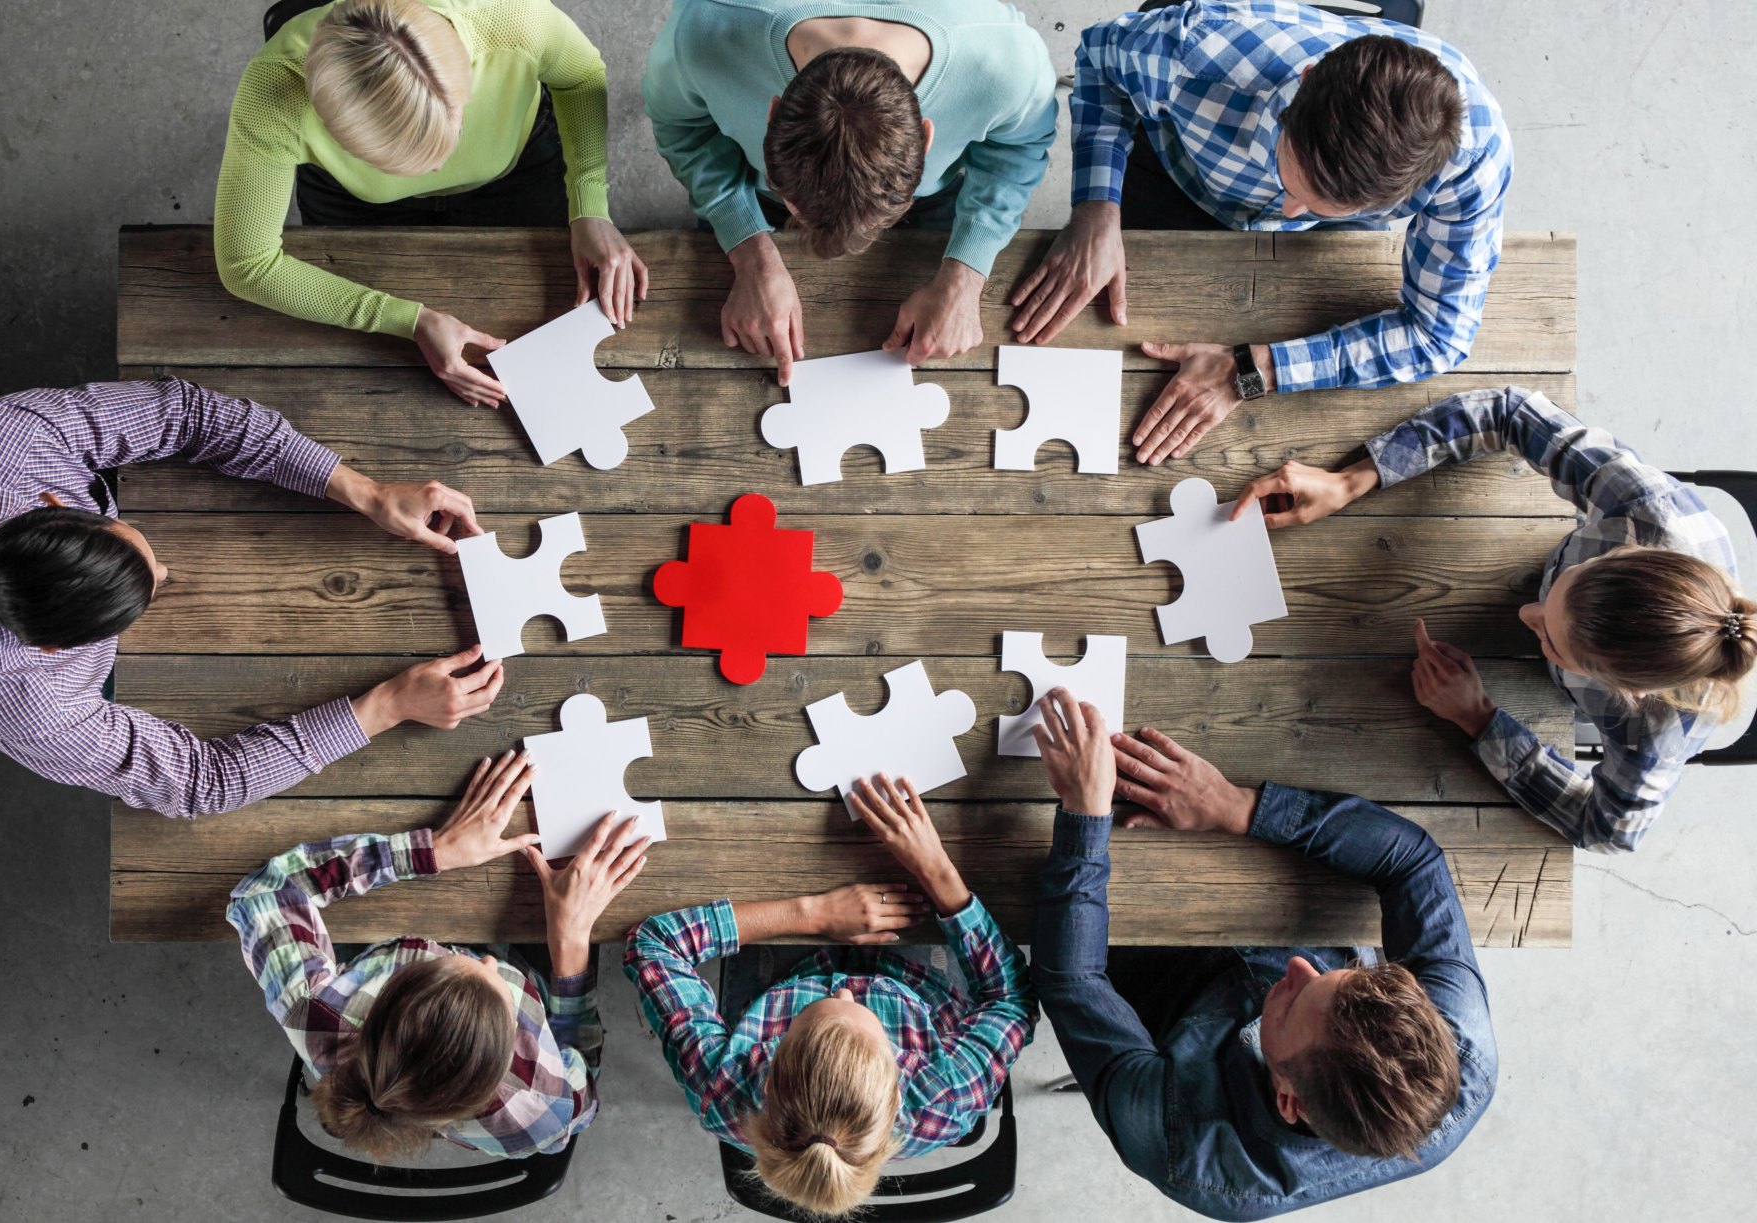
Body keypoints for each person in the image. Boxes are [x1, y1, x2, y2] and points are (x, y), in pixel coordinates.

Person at [0, 378, 507, 817]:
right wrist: (388, 705)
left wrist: (363, 491)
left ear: (57, 506)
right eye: (146, 591)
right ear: (53, 647)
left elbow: (185, 413)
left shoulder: (6, 442)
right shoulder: (33, 703)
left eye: (142, 555)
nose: (165, 571)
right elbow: (201, 785)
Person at [1027, 686, 1495, 1219]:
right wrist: (1237, 806)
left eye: (1295, 1004)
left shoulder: (1182, 1146)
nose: (1299, 967)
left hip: (1152, 984)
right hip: (1266, 891)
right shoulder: (1458, 1039)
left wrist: (1084, 815)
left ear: (1288, 1099)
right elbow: (1412, 863)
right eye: (1342, 975)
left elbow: (1072, 980)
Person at [1230, 386, 1755, 852]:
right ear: (1626, 552)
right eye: (1573, 578)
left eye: (1550, 639)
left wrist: (1481, 720)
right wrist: (1353, 478)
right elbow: (1511, 411)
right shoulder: (1647, 509)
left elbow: (1607, 830)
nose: (1528, 612)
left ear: (1628, 690)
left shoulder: (1655, 734)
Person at [1012, 1, 1511, 465]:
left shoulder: (1473, 160)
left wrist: (1254, 371)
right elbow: (1099, 59)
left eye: (1319, 206)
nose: (1290, 214)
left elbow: (1438, 335)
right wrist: (1094, 208)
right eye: (1290, 174)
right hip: (1178, 174)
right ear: (1306, 79)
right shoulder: (1192, 51)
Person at [624, 773, 1035, 1218]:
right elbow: (1012, 1000)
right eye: (860, 1010)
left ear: (772, 1058)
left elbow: (653, 944)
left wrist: (812, 912)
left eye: (813, 1014)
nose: (844, 990)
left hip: (792, 967)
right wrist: (937, 871)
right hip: (917, 981)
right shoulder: (946, 1097)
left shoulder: (723, 1089)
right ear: (898, 1079)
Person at [216, 0, 647, 407]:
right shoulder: (272, 91)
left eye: (454, 129)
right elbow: (246, 264)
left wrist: (589, 203)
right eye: (403, 163)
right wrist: (409, 320)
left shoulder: (514, 17)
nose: (441, 169)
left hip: (516, 169)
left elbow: (581, 75)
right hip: (354, 200)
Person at [228, 750, 650, 1159]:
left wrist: (435, 849)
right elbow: (582, 1079)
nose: (488, 961)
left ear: (392, 989)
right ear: (504, 1064)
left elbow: (261, 896)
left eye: (442, 962)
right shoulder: (540, 1112)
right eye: (499, 987)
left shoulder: (320, 1014)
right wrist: (572, 942)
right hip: (550, 966)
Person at [642, 0, 1057, 384]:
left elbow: (1019, 147)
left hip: (937, 197)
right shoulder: (703, 33)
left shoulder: (1008, 63)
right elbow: (683, 128)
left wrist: (966, 275)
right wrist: (748, 252)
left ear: (926, 137)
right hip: (751, 195)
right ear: (771, 115)